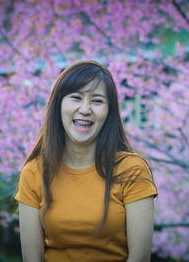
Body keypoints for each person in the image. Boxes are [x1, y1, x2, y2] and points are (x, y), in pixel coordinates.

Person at [15, 60, 158, 262]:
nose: (85, 109)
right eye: (76, 98)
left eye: (97, 101)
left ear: (109, 112)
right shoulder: (34, 172)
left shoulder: (132, 170)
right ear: (59, 105)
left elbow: (140, 258)